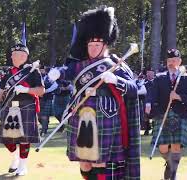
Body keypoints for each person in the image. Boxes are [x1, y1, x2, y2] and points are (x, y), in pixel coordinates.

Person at [48, 6, 140, 179]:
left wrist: (116, 80)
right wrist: (58, 72)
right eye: (90, 45)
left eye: (96, 45)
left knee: (100, 161)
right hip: (81, 115)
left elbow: (133, 89)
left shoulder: (115, 64)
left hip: (106, 116)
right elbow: (67, 71)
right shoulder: (80, 64)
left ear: (105, 45)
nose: (92, 48)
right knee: (85, 161)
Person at [0, 43, 44, 176]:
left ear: (24, 56)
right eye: (12, 54)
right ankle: (15, 158)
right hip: (10, 106)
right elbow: (1, 89)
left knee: (24, 138)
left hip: (27, 105)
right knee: (7, 138)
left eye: (15, 54)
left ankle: (22, 165)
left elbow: (41, 91)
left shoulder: (33, 70)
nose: (12, 57)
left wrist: (26, 89)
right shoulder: (9, 72)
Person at [145, 48, 187, 180]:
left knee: (176, 145)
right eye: (169, 60)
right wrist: (148, 104)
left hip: (180, 114)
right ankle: (170, 165)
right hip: (162, 114)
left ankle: (173, 174)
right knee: (163, 147)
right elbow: (152, 94)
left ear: (179, 61)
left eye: (174, 60)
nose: (171, 63)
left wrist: (179, 97)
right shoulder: (159, 78)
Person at [38, 68, 58, 136]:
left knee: (44, 115)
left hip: (48, 98)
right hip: (40, 98)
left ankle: (44, 130)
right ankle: (45, 124)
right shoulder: (40, 77)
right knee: (39, 116)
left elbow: (55, 86)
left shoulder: (52, 80)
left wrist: (44, 92)